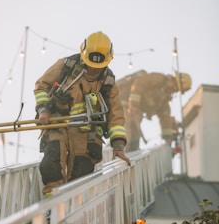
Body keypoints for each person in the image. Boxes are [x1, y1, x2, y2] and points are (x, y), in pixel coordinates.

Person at [34, 31, 131, 197]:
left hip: (87, 135)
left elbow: (116, 117)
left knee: (81, 172)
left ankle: (72, 209)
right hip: (58, 125)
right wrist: (43, 110)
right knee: (52, 165)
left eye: (98, 66)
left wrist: (118, 146)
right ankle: (52, 208)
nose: (93, 68)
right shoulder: (66, 66)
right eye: (90, 64)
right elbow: (41, 85)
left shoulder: (108, 83)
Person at [116, 70, 192, 152]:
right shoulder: (159, 79)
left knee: (134, 138)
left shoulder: (165, 99)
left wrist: (168, 138)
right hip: (124, 104)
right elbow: (139, 83)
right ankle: (117, 156)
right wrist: (133, 104)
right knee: (127, 132)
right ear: (174, 80)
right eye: (176, 87)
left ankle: (125, 157)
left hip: (136, 112)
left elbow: (165, 118)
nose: (174, 90)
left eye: (177, 89)